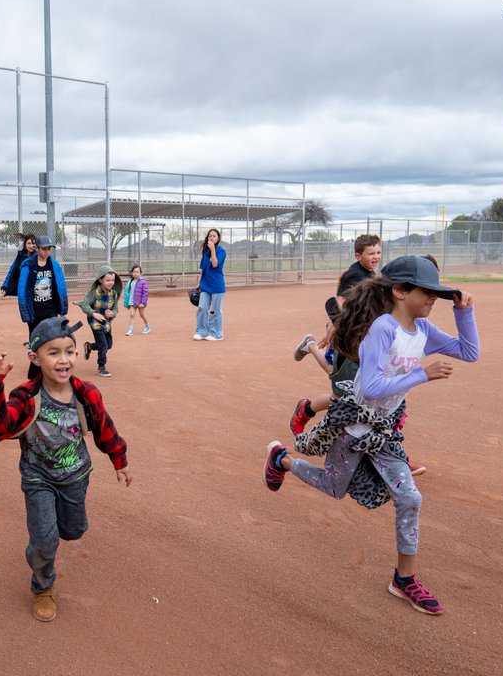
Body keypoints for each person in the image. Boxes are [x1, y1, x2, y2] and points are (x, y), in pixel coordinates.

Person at [263, 256, 479, 616]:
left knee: (409, 497)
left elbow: (469, 352)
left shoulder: (423, 331)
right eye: (427, 292)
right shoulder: (383, 329)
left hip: (385, 431)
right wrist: (422, 375)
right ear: (399, 291)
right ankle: (281, 459)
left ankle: (404, 580)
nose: (433, 299)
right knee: (334, 487)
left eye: (437, 293)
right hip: (353, 425)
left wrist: (463, 313)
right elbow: (375, 387)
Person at [0, 316, 131, 622]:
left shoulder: (86, 393)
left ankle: (47, 540)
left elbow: (104, 427)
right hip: (38, 478)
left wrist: (119, 459)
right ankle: (43, 584)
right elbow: (0, 423)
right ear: (35, 357)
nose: (64, 360)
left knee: (73, 531)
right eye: (53, 352)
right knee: (45, 541)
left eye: (69, 351)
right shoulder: (26, 396)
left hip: (76, 476)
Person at [290, 234, 384, 432]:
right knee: (337, 376)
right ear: (358, 256)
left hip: (358, 335)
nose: (375, 257)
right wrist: (332, 331)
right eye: (371, 254)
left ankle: (309, 410)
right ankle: (310, 346)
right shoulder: (355, 274)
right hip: (344, 332)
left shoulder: (369, 273)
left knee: (346, 387)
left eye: (378, 252)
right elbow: (338, 303)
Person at [15, 235, 68, 376]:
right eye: (44, 249)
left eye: (49, 249)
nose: (47, 252)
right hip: (35, 310)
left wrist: (63, 307)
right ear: (37, 249)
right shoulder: (28, 265)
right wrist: (25, 312)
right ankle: (34, 373)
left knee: (50, 339)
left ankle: (46, 370)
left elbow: (61, 286)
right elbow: (22, 289)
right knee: (36, 341)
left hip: (50, 309)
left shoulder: (54, 265)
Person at [79, 265, 121, 378]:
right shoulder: (94, 293)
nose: (111, 282)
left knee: (108, 345)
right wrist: (94, 313)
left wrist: (112, 313)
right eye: (108, 280)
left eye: (112, 280)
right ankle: (101, 367)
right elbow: (84, 304)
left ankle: (90, 347)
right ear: (100, 279)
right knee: (103, 345)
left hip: (106, 323)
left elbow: (115, 308)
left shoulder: (114, 294)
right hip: (95, 322)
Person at [193, 229, 226, 341]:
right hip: (205, 284)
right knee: (201, 308)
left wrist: (213, 250)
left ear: (218, 239)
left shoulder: (221, 251)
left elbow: (215, 264)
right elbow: (203, 269)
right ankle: (202, 331)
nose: (211, 238)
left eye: (214, 236)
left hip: (217, 284)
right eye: (210, 236)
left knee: (215, 310)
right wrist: (199, 282)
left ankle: (216, 334)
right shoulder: (205, 252)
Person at [0, 234, 37, 298]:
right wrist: (5, 286)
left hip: (34, 289)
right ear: (25, 245)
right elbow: (12, 271)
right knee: (23, 306)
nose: (31, 246)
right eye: (29, 243)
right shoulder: (20, 256)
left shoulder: (38, 256)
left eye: (33, 243)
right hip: (22, 288)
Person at [123, 265, 151, 336]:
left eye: (137, 272)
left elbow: (145, 293)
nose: (135, 273)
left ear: (140, 273)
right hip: (132, 302)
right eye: (134, 272)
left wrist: (143, 302)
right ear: (132, 273)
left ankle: (147, 326)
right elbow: (127, 293)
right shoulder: (130, 282)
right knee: (131, 315)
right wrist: (126, 303)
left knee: (142, 315)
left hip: (140, 302)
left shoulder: (143, 282)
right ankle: (130, 330)